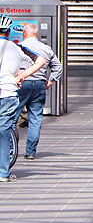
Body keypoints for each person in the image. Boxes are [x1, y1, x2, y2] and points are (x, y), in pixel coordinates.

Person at [0, 15, 47, 183]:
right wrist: (21, 76)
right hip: (7, 92)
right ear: (8, 31)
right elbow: (41, 60)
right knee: (4, 132)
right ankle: (3, 173)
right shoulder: (16, 47)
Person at [14, 23, 62, 161]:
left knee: (12, 117)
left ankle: (11, 148)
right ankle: (30, 152)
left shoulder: (18, 48)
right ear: (36, 34)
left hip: (21, 84)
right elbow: (57, 67)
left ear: (24, 33)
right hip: (39, 85)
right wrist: (50, 81)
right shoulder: (46, 48)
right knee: (35, 119)